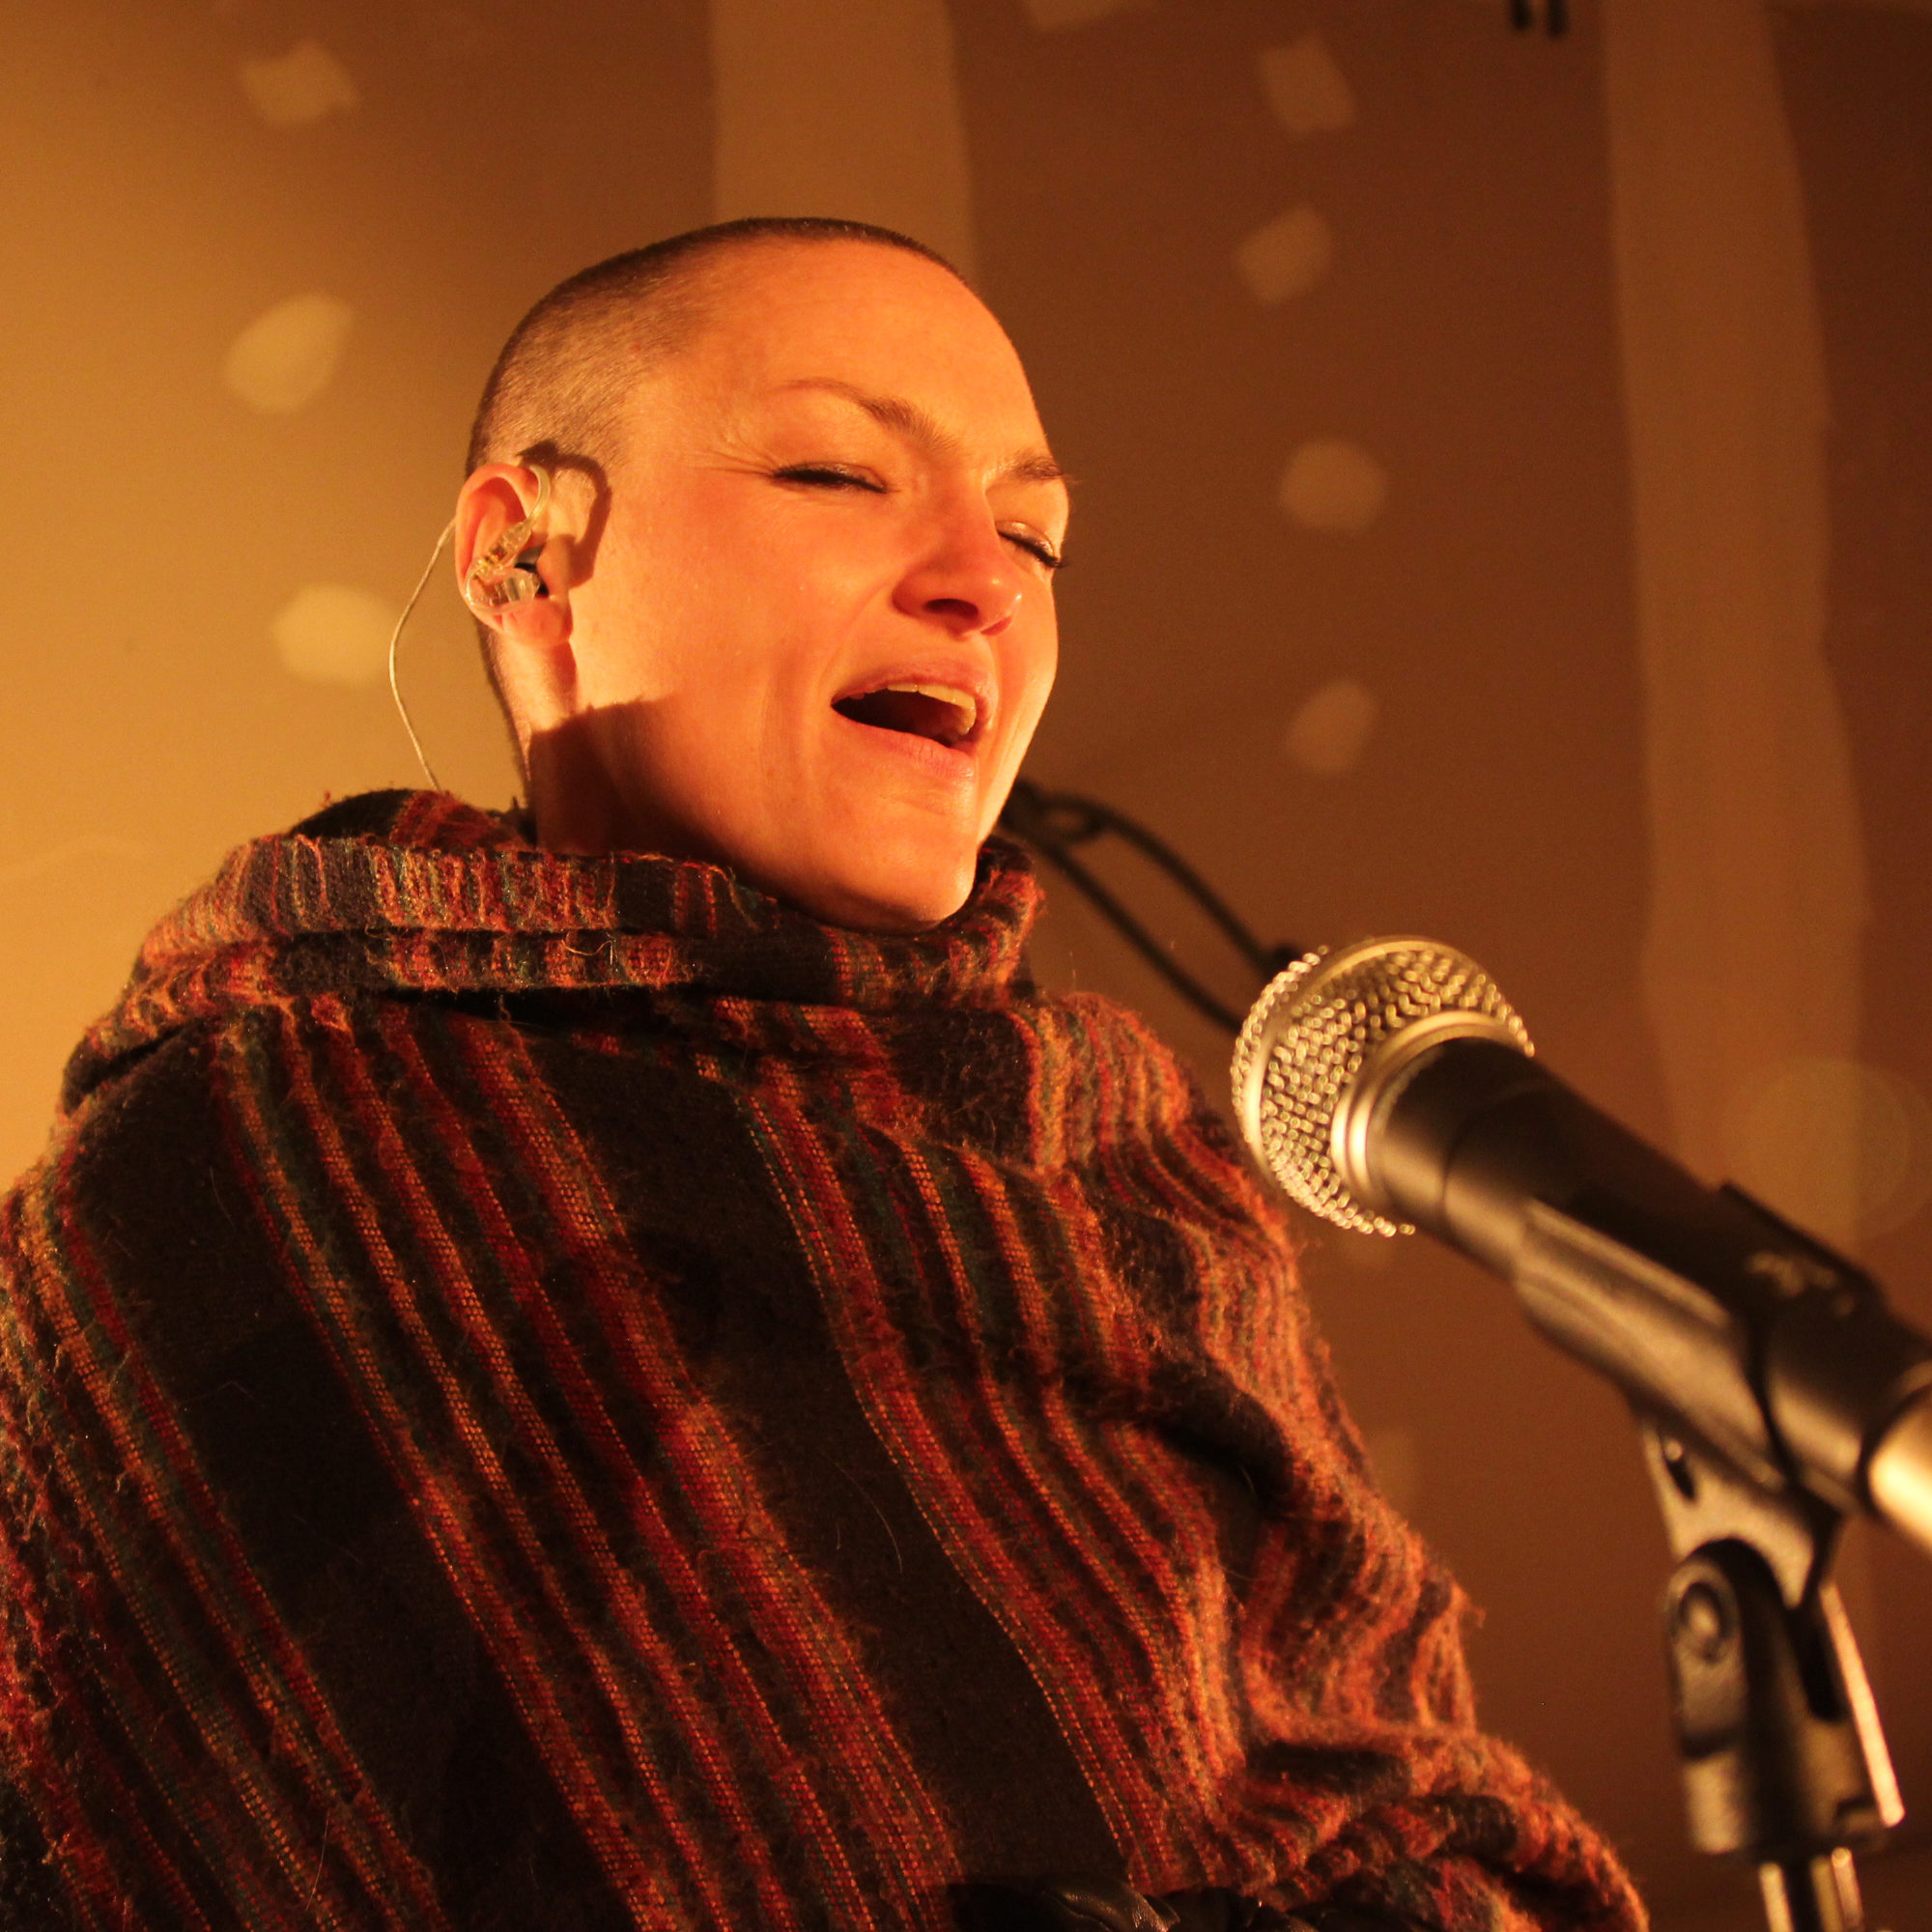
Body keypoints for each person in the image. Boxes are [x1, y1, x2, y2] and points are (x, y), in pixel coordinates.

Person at [0, 218, 1643, 1931]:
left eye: (1034, 533)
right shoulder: (224, 1184)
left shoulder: (1140, 1173)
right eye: (838, 473)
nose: (986, 579)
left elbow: (1394, 1797)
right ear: (523, 555)